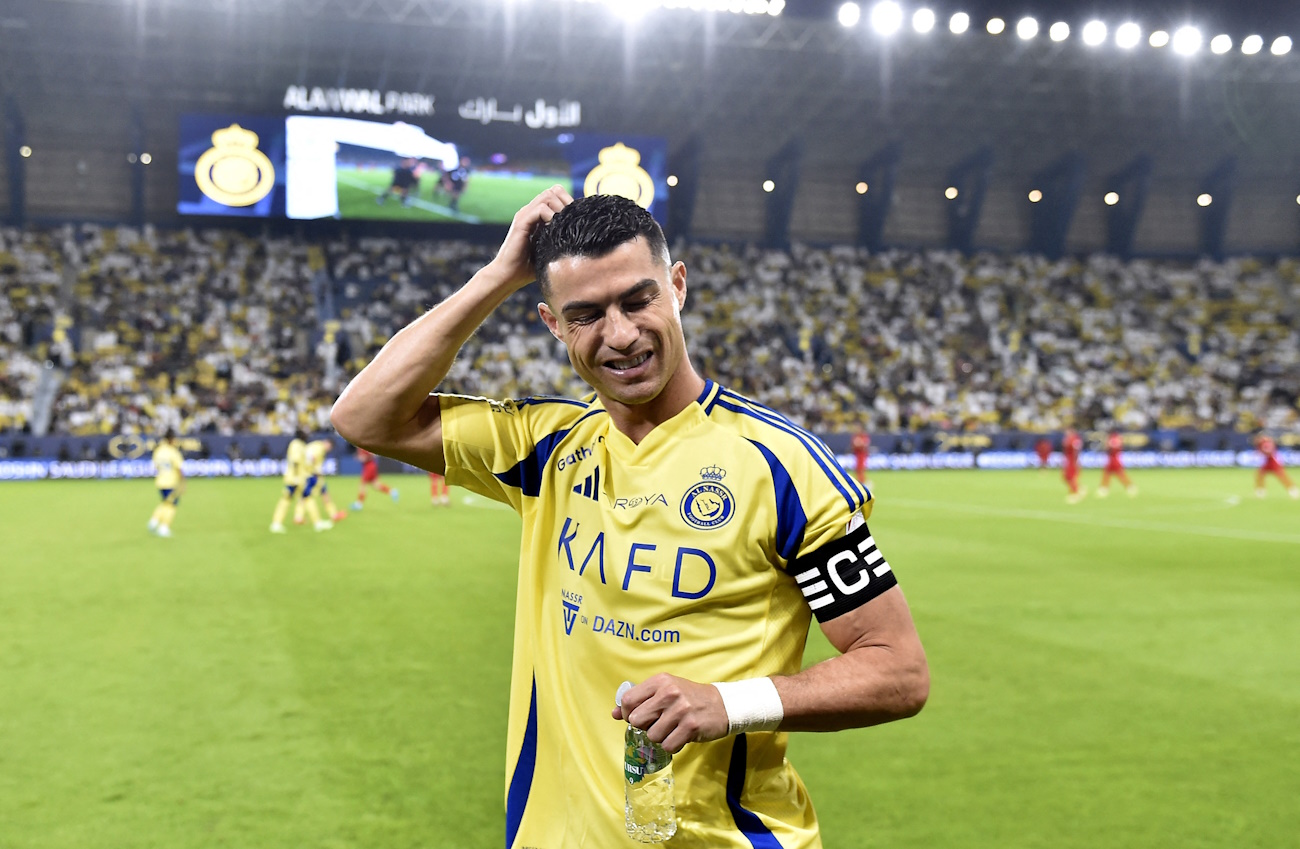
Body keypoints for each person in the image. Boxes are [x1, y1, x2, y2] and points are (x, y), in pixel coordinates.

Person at [331, 189, 929, 848]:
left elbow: (897, 669)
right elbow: (364, 417)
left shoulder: (783, 468)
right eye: (585, 314)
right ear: (552, 324)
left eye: (637, 299)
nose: (619, 334)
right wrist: (499, 274)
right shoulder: (544, 445)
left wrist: (725, 704)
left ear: (676, 286)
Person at [270, 430, 314, 533]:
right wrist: (295, 477)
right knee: (287, 499)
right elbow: (295, 461)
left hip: (300, 478)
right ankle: (276, 523)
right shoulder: (296, 444)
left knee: (302, 498)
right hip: (295, 479)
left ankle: (298, 518)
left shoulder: (301, 445)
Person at [296, 437, 347, 525]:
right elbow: (311, 457)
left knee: (320, 493)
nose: (329, 450)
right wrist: (314, 470)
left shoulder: (316, 444)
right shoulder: (319, 448)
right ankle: (300, 517)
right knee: (309, 496)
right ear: (328, 444)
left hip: (309, 474)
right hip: (311, 475)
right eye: (329, 447)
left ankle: (299, 517)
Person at [147, 430, 185, 538]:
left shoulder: (158, 450)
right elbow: (179, 468)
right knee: (172, 505)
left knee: (165, 502)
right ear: (172, 439)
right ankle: (164, 527)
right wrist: (183, 482)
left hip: (160, 481)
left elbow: (156, 466)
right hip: (171, 482)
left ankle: (154, 521)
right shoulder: (173, 452)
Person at [1254, 434, 1298, 498]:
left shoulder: (1268, 443)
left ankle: (1292, 490)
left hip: (1273, 462)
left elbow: (1269, 452)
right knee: (1260, 476)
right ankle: (1260, 491)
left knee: (1282, 476)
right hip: (1266, 462)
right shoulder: (1260, 444)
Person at [1097, 430, 1137, 497]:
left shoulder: (1111, 439)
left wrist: (1105, 443)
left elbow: (1108, 448)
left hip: (1113, 460)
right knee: (1116, 475)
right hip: (1115, 460)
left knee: (1110, 475)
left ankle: (1104, 489)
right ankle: (1129, 487)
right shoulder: (1118, 438)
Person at [1062, 427, 1085, 504]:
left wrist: (1076, 461)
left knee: (1070, 477)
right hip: (1069, 460)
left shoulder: (1074, 439)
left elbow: (1076, 451)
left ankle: (1075, 493)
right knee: (1066, 477)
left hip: (1072, 460)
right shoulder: (1070, 439)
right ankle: (1079, 489)